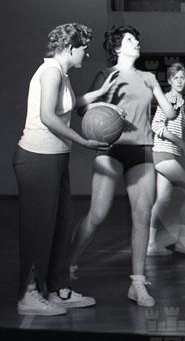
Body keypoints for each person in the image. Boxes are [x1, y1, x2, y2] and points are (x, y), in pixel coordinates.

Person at [68, 25, 182, 307]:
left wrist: (173, 104)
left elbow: (167, 112)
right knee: (97, 213)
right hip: (110, 149)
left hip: (141, 149)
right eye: (131, 40)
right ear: (118, 47)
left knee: (142, 215)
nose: (137, 42)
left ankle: (138, 283)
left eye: (137, 39)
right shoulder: (105, 75)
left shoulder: (148, 77)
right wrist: (107, 108)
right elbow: (81, 108)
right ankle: (65, 265)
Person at [14, 23, 118, 316]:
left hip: (56, 158)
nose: (87, 53)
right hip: (37, 159)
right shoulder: (50, 72)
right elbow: (48, 116)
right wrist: (84, 141)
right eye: (84, 48)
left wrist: (101, 92)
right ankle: (29, 295)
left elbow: (69, 106)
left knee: (61, 226)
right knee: (39, 229)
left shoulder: (61, 73)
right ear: (71, 48)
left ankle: (58, 289)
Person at [147, 62, 185, 257]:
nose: (179, 81)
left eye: (182, 78)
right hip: (164, 154)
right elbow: (156, 125)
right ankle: (183, 241)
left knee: (162, 200)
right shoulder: (170, 98)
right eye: (175, 78)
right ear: (169, 80)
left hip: (165, 154)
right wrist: (182, 143)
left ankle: (150, 244)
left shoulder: (178, 99)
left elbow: (174, 125)